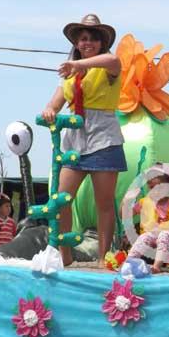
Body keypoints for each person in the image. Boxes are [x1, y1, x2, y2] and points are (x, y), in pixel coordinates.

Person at [41, 14, 125, 267]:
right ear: (76, 43)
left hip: (103, 138)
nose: (88, 43)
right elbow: (54, 103)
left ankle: (102, 257)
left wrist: (79, 65)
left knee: (104, 203)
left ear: (101, 43)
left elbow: (114, 60)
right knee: (61, 199)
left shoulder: (108, 66)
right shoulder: (68, 75)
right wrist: (49, 111)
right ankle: (65, 255)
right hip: (74, 141)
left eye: (93, 39)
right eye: (83, 38)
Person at [127, 164, 169, 273]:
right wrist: (127, 199)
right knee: (144, 237)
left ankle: (156, 266)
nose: (156, 191)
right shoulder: (144, 202)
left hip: (168, 239)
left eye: (160, 187)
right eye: (152, 187)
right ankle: (129, 262)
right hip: (150, 236)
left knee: (164, 234)